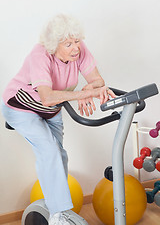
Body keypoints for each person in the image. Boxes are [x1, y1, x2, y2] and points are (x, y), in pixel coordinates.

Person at [1, 14, 116, 225]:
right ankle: (57, 214)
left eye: (77, 41)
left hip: (51, 108)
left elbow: (98, 80)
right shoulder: (40, 55)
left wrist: (90, 87)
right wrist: (83, 95)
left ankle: (57, 210)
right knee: (49, 151)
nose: (76, 48)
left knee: (60, 155)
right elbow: (46, 96)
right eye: (68, 44)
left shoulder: (79, 50)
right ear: (54, 46)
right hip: (20, 106)